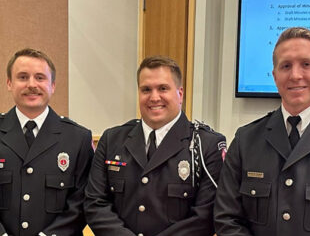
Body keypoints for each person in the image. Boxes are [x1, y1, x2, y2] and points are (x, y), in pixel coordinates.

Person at [84, 55, 226, 236]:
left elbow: (205, 216)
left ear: (180, 94)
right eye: (146, 90)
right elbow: (95, 203)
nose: (154, 97)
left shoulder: (207, 144)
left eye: (163, 88)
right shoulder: (112, 140)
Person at [214, 27, 310, 235]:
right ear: (275, 77)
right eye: (285, 66)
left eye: (306, 64)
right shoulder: (245, 141)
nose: (295, 75)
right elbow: (226, 218)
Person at [0, 48, 94, 236]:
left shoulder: (77, 138)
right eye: (23, 77)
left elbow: (82, 202)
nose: (32, 84)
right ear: (9, 83)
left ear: (52, 85)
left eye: (40, 78)